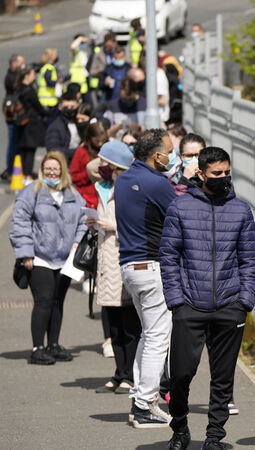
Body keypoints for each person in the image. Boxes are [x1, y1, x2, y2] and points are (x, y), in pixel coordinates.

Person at [161, 146, 255, 450]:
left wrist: (244, 301)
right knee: (180, 375)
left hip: (230, 306)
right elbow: (169, 257)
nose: (223, 177)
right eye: (217, 173)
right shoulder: (180, 208)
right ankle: (179, 427)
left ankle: (214, 436)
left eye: (227, 172)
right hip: (189, 305)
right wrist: (176, 300)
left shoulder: (241, 210)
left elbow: (249, 259)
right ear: (201, 174)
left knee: (223, 378)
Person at [115, 129, 177, 428]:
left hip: (130, 267)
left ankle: (140, 399)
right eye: (170, 151)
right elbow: (179, 215)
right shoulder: (157, 183)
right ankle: (144, 405)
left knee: (148, 334)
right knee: (157, 338)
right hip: (152, 268)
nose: (172, 157)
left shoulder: (124, 178)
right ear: (157, 155)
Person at [9, 151, 86, 365]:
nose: (51, 172)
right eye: (47, 169)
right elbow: (19, 223)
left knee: (57, 301)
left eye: (55, 168)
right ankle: (38, 348)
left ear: (63, 170)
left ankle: (53, 345)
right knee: (44, 300)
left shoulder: (73, 194)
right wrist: (25, 253)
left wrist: (77, 242)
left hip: (65, 259)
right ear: (42, 170)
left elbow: (83, 220)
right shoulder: (30, 193)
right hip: (39, 257)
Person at [87, 141, 142, 394]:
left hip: (124, 259)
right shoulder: (103, 186)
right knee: (115, 326)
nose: (100, 165)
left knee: (130, 326)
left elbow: (139, 226)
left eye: (106, 162)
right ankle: (119, 373)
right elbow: (91, 167)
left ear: (117, 165)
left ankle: (130, 375)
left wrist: (114, 227)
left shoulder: (132, 188)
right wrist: (94, 224)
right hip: (106, 262)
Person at [15, 65, 51, 180]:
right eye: (33, 74)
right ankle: (28, 175)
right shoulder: (29, 91)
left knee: (23, 150)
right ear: (26, 76)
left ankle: (23, 174)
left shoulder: (18, 88)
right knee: (30, 150)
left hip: (20, 123)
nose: (35, 76)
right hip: (31, 124)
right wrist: (50, 113)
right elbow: (38, 107)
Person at [70, 121, 108, 209]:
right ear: (90, 138)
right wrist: (91, 172)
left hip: (104, 194)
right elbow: (74, 177)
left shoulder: (108, 149)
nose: (100, 144)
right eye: (97, 141)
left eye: (103, 140)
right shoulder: (82, 151)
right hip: (86, 196)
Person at [1, 53, 25, 181]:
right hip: (12, 114)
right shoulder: (11, 77)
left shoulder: (15, 75)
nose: (23, 66)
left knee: (18, 143)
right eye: (21, 63)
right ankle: (10, 171)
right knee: (13, 143)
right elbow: (17, 87)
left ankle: (16, 169)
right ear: (14, 63)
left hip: (17, 113)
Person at [44, 91, 81, 162]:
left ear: (78, 106)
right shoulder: (55, 126)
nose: (69, 109)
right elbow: (53, 150)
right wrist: (79, 152)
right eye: (66, 107)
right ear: (60, 107)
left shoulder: (83, 121)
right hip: (65, 163)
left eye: (72, 107)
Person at [88, 32, 117, 104]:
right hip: (103, 87)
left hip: (117, 87)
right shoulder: (99, 54)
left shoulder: (120, 52)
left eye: (110, 47)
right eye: (106, 46)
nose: (108, 49)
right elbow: (92, 71)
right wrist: (100, 73)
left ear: (115, 43)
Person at [68, 34, 91, 103]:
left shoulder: (83, 52)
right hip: (78, 81)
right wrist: (80, 38)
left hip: (85, 79)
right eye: (82, 43)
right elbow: (72, 47)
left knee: (87, 102)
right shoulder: (75, 52)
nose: (84, 44)